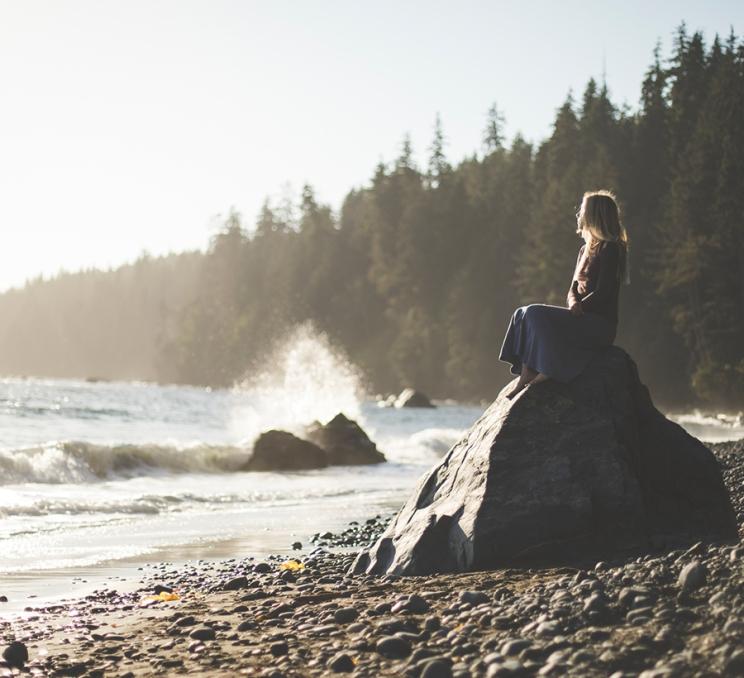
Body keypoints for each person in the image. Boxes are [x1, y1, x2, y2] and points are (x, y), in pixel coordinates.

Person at [499, 190, 629, 399]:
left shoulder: (610, 249)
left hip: (599, 325)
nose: (579, 214)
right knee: (521, 313)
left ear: (596, 215)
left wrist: (581, 307)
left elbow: (604, 291)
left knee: (534, 312)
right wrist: (573, 303)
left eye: (583, 210)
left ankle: (550, 368)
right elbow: (573, 288)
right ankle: (527, 373)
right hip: (581, 316)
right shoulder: (583, 251)